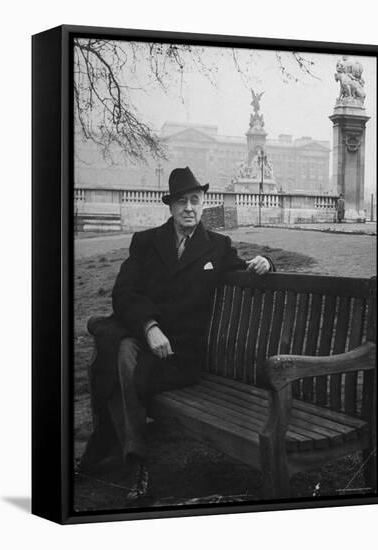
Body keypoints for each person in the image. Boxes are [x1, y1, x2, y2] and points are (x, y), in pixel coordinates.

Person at [79, 167, 274, 501]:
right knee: (124, 353)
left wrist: (266, 263)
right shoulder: (145, 243)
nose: (189, 208)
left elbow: (246, 269)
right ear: (170, 207)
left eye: (195, 200)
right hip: (146, 342)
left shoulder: (218, 247)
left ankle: (122, 452)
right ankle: (137, 459)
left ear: (203, 204)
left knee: (118, 358)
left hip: (180, 358)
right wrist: (150, 327)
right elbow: (124, 292)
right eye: (181, 201)